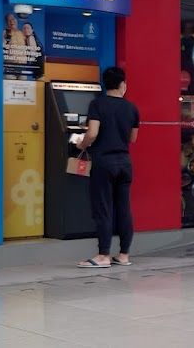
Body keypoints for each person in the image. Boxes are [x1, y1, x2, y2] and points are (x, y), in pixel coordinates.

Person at [75, 67, 140, 268]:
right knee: (124, 209)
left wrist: (81, 144)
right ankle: (124, 255)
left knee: (103, 208)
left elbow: (92, 133)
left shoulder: (97, 104)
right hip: (124, 162)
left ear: (105, 84)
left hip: (104, 162)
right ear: (122, 85)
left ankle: (103, 255)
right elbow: (133, 138)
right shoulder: (132, 108)